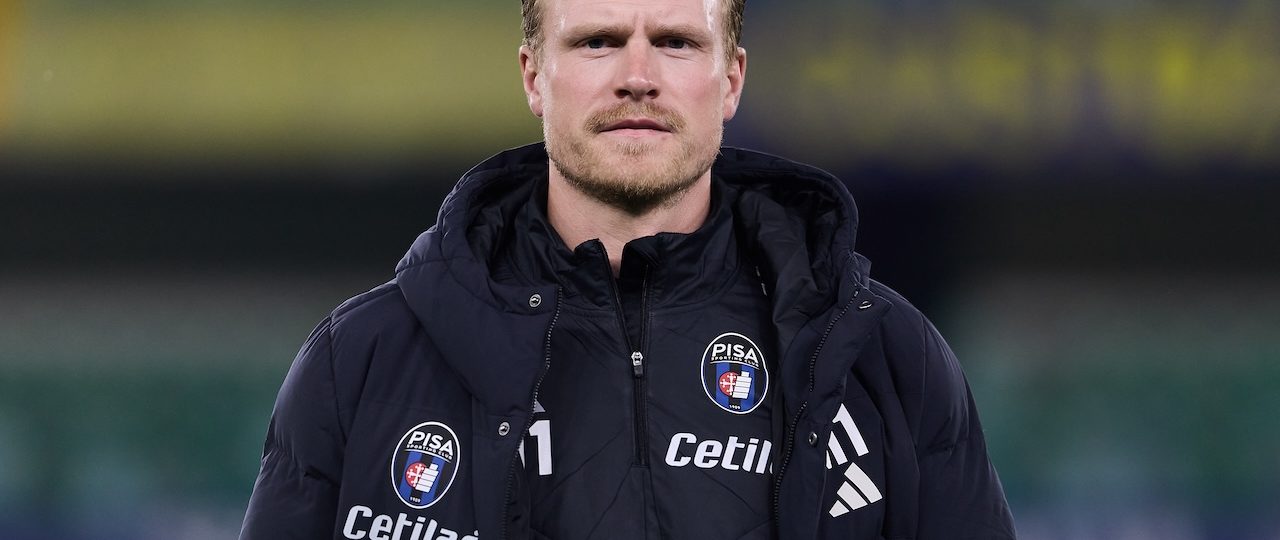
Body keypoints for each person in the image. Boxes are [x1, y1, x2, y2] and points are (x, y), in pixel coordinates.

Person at [239, 0, 1016, 538]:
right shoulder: (360, 363)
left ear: (732, 79)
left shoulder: (887, 357)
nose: (637, 75)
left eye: (676, 42)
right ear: (533, 76)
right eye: (598, 41)